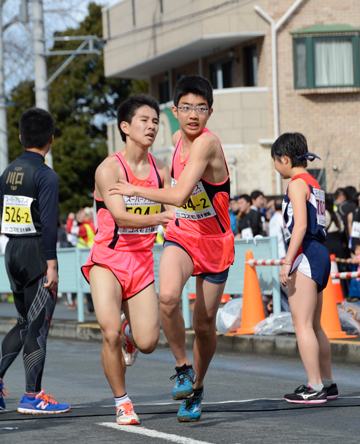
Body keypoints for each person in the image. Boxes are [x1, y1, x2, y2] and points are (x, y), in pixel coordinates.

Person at [109, 75, 234, 422]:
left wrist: (134, 190)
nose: (193, 115)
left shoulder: (207, 143)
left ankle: (197, 389)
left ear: (210, 111)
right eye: (186, 107)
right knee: (167, 298)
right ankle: (182, 367)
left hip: (214, 242)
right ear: (175, 111)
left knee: (205, 324)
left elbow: (179, 196)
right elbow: (176, 195)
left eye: (201, 108)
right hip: (183, 232)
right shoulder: (178, 139)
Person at [81, 95, 173, 425]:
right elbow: (120, 218)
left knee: (148, 342)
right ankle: (122, 402)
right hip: (107, 261)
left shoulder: (161, 170)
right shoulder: (109, 169)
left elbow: (176, 208)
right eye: (144, 121)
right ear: (125, 127)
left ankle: (130, 335)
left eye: (155, 122)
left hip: (142, 264)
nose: (151, 127)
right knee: (109, 334)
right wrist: (162, 217)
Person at [0, 108, 70, 414]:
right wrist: (51, 265)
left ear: (19, 137)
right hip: (36, 254)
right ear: (51, 140)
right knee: (38, 325)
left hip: (12, 250)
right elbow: (50, 223)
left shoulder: (7, 172)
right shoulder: (45, 174)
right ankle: (32, 395)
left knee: (24, 322)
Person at [271, 132, 336, 404]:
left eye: (275, 160)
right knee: (314, 325)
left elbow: (299, 226)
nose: (275, 166)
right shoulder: (314, 182)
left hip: (306, 252)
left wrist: (287, 262)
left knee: (302, 325)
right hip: (320, 252)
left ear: (285, 158)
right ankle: (327, 382)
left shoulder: (297, 183)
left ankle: (315, 385)